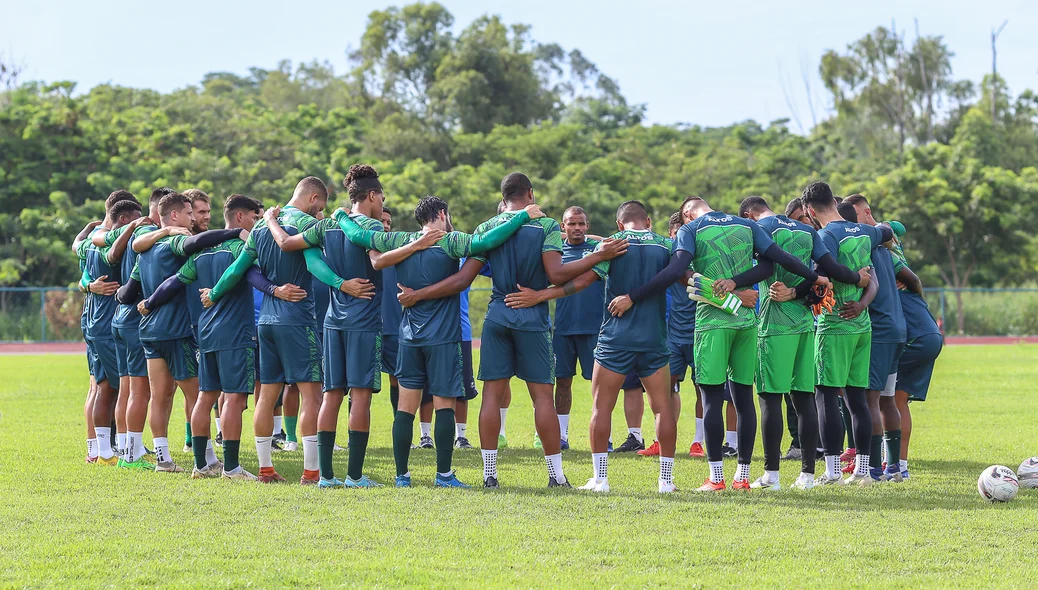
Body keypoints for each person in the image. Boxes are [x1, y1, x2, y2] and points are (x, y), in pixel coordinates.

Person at [389, 173, 627, 488]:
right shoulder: (546, 225)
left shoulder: (487, 228)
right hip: (532, 316)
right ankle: (556, 476)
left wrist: (417, 295)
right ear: (530, 193)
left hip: (497, 315)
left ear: (505, 197)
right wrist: (598, 255)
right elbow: (556, 274)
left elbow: (462, 281)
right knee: (542, 396)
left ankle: (490, 475)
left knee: (491, 394)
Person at [613, 195, 827, 491]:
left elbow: (677, 272)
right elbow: (770, 264)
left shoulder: (692, 230)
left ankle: (716, 478)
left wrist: (632, 296)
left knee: (712, 397)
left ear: (687, 214)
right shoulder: (745, 225)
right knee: (743, 398)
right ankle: (743, 475)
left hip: (713, 324)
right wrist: (815, 277)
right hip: (746, 322)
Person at [339, 195, 538, 487]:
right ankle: (444, 474)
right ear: (442, 214)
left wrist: (341, 216)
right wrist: (522, 217)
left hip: (409, 337)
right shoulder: (451, 240)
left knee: (406, 407)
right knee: (445, 404)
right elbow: (486, 241)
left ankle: (401, 476)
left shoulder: (400, 240)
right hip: (443, 337)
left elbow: (363, 241)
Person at [263, 165, 435, 488]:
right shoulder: (372, 228)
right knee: (360, 398)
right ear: (371, 196)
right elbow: (381, 257)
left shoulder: (326, 226)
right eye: (382, 198)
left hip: (331, 323)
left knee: (331, 397)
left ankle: (326, 477)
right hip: (364, 323)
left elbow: (286, 244)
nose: (383, 205)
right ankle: (354, 476)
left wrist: (271, 220)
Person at [505, 201, 678, 492]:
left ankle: (600, 479)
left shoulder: (613, 246)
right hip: (654, 339)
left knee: (601, 407)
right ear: (648, 221)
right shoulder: (665, 246)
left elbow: (580, 282)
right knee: (662, 409)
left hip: (615, 340)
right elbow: (682, 275)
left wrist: (540, 296)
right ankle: (666, 481)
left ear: (620, 224)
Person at [144, 194, 300, 479]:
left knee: (205, 397)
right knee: (234, 400)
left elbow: (174, 282)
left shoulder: (201, 253)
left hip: (205, 333)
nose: (255, 224)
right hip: (235, 334)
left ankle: (201, 465)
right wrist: (275, 290)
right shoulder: (240, 246)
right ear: (239, 218)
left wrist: (149, 302)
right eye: (253, 218)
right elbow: (250, 276)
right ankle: (231, 467)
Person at [205, 176, 345, 484]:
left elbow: (235, 271)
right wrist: (340, 283)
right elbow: (313, 266)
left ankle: (266, 469)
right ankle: (311, 472)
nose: (320, 212)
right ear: (314, 199)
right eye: (320, 206)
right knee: (312, 395)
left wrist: (213, 294)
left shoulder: (259, 227)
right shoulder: (304, 224)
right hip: (296, 320)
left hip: (265, 324)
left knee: (266, 395)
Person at [740, 195, 870, 490]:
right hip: (805, 327)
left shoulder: (760, 230)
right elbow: (827, 275)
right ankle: (808, 475)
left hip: (773, 325)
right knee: (805, 400)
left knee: (771, 400)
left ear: (749, 216)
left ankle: (772, 476)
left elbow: (765, 269)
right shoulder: (808, 230)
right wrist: (855, 278)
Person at [115, 192, 244, 472]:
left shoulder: (144, 251)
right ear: (174, 216)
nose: (192, 218)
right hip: (175, 330)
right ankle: (208, 459)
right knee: (199, 396)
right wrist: (235, 231)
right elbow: (195, 242)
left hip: (148, 332)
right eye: (188, 213)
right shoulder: (173, 241)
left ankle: (163, 459)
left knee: (159, 397)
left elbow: (126, 294)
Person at [801, 183, 893, 486]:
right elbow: (889, 231)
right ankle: (863, 471)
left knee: (826, 396)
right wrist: (862, 300)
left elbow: (821, 278)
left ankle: (832, 471)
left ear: (811, 211)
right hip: (861, 325)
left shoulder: (825, 236)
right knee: (858, 399)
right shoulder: (863, 231)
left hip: (835, 324)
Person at [94, 188, 174, 468]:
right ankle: (133, 453)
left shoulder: (130, 230)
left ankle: (127, 450)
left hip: (120, 316)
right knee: (140, 390)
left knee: (127, 388)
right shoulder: (145, 231)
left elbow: (98, 238)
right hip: (134, 319)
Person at [845, 194, 908, 483]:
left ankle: (869, 470)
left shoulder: (866, 245)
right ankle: (894, 468)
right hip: (896, 330)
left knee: (869, 399)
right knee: (887, 400)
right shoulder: (883, 247)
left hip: (880, 331)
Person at [890, 232, 943, 479]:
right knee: (898, 400)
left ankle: (882, 463)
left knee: (880, 396)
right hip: (932, 337)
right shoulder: (904, 284)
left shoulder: (892, 285)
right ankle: (901, 466)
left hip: (917, 339)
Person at [552, 206, 604, 451]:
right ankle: (561, 436)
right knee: (562, 382)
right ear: (563, 226)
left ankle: (606, 436)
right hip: (563, 328)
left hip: (594, 327)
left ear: (587, 225)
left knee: (602, 385)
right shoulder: (555, 252)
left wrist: (594, 239)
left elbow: (615, 240)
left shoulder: (597, 250)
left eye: (581, 224)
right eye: (571, 224)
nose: (577, 229)